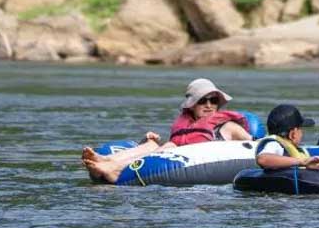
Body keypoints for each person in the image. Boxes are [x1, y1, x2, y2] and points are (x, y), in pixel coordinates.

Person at [82, 77, 250, 183]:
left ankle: (116, 169)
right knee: (152, 144)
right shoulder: (187, 124)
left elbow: (254, 145)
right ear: (191, 105)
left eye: (213, 101)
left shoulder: (228, 127)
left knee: (169, 146)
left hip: (199, 160)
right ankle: (107, 160)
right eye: (202, 101)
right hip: (176, 154)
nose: (208, 105)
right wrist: (149, 140)